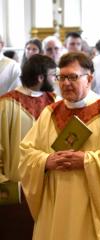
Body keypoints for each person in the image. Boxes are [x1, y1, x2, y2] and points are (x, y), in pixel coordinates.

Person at [18, 52, 100, 240]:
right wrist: (46, 161)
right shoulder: (50, 114)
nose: (66, 83)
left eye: (73, 77)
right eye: (62, 77)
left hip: (92, 206)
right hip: (56, 204)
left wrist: (87, 160)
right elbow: (27, 152)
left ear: (89, 78)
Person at [0, 54, 57, 239]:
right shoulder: (6, 104)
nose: (56, 80)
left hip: (52, 183)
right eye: (53, 75)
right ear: (40, 77)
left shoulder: (56, 102)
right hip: (18, 186)